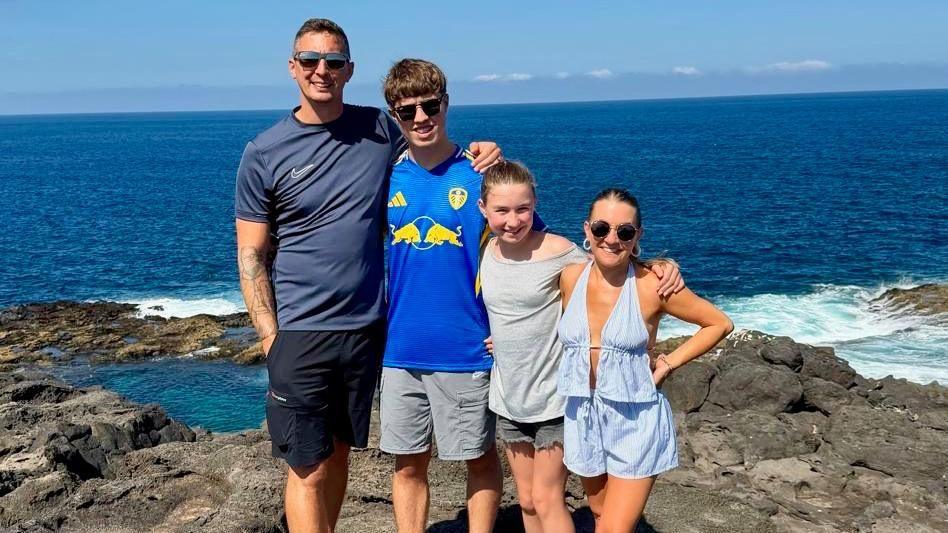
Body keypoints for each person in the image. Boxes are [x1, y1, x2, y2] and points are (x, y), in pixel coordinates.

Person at [234, 20, 501, 533]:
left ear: (348, 70)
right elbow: (251, 253)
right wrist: (270, 337)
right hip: (300, 330)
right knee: (307, 468)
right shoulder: (263, 152)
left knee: (338, 456)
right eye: (310, 60)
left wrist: (485, 151)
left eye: (333, 62)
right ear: (292, 67)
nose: (322, 71)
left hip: (367, 331)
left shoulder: (378, 130)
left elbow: (433, 152)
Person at [477, 163, 684, 533]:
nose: (512, 220)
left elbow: (610, 261)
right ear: (483, 210)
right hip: (508, 395)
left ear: (535, 205)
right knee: (526, 501)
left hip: (558, 398)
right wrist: (495, 336)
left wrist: (661, 266)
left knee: (545, 498)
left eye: (522, 209)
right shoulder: (486, 249)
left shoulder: (561, 253)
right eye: (502, 211)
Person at [558, 188, 734, 532]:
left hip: (634, 417)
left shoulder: (652, 285)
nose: (611, 239)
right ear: (586, 230)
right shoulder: (570, 277)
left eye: (624, 232)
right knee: (600, 515)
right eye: (601, 228)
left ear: (637, 236)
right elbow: (516, 235)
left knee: (613, 529)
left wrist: (668, 363)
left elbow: (718, 323)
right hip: (583, 414)